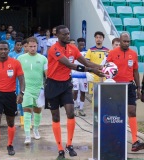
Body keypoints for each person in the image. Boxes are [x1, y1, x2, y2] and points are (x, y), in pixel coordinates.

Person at [46, 25, 105, 159]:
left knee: (71, 113)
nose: (67, 36)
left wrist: (101, 67)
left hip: (66, 84)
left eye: (68, 34)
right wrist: (91, 70)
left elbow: (86, 62)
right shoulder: (54, 49)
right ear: (58, 36)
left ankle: (69, 145)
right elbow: (69, 65)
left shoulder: (72, 48)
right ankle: (60, 148)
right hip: (53, 85)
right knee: (56, 117)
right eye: (64, 34)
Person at [107, 32, 144, 152]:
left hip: (129, 86)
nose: (126, 43)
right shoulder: (112, 53)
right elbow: (107, 69)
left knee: (132, 111)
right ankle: (113, 139)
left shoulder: (133, 54)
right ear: (120, 40)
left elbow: (135, 72)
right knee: (115, 114)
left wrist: (138, 88)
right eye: (124, 41)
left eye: (128, 41)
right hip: (115, 86)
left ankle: (135, 141)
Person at [18, 37, 48, 145]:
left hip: (39, 89)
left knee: (37, 111)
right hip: (26, 89)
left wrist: (47, 88)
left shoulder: (43, 58)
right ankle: (27, 135)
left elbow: (47, 74)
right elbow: (18, 74)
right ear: (26, 46)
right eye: (30, 46)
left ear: (37, 46)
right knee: (27, 111)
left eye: (34, 46)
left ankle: (35, 129)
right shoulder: (20, 58)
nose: (32, 48)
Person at [8, 39, 24, 125]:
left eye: (20, 45)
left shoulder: (23, 54)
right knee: (14, 91)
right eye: (17, 45)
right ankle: (15, 108)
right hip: (12, 75)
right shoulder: (10, 54)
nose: (19, 46)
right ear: (14, 46)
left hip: (21, 75)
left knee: (20, 91)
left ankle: (21, 112)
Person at [71, 38, 88, 116]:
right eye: (80, 45)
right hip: (75, 75)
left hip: (83, 76)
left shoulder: (86, 53)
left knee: (83, 92)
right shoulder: (74, 52)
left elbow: (88, 62)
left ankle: (81, 109)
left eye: (83, 45)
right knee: (75, 91)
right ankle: (74, 107)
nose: (82, 46)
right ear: (77, 44)